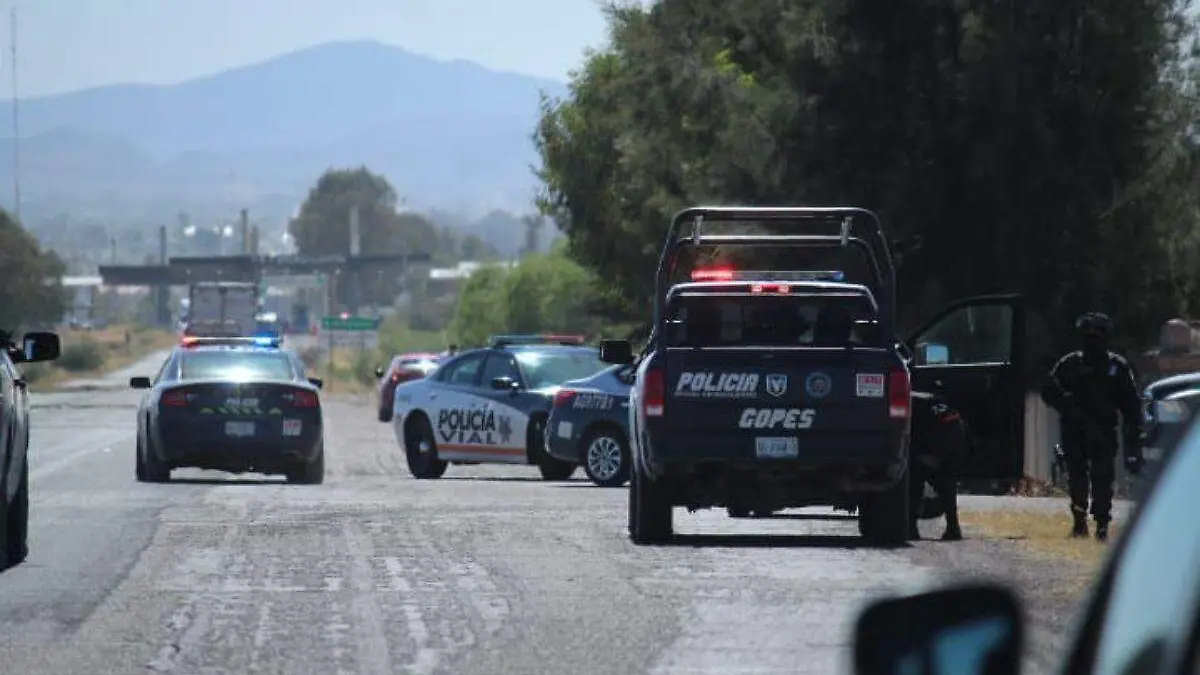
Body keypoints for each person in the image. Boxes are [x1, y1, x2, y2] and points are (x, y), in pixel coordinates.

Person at [1040, 312, 1145, 541]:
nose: (1093, 342)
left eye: (1097, 337)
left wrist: (1133, 434)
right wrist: (1066, 404)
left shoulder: (1116, 366)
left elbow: (1131, 404)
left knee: (1102, 479)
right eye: (1089, 337)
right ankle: (1079, 524)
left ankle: (1102, 526)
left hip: (1103, 431)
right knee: (1077, 478)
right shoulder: (1070, 363)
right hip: (1074, 430)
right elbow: (1048, 390)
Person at [908, 389, 968, 541]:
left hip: (938, 434)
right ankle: (953, 527)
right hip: (954, 431)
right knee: (946, 484)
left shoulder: (912, 405)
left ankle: (910, 527)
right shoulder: (929, 402)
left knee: (915, 479)